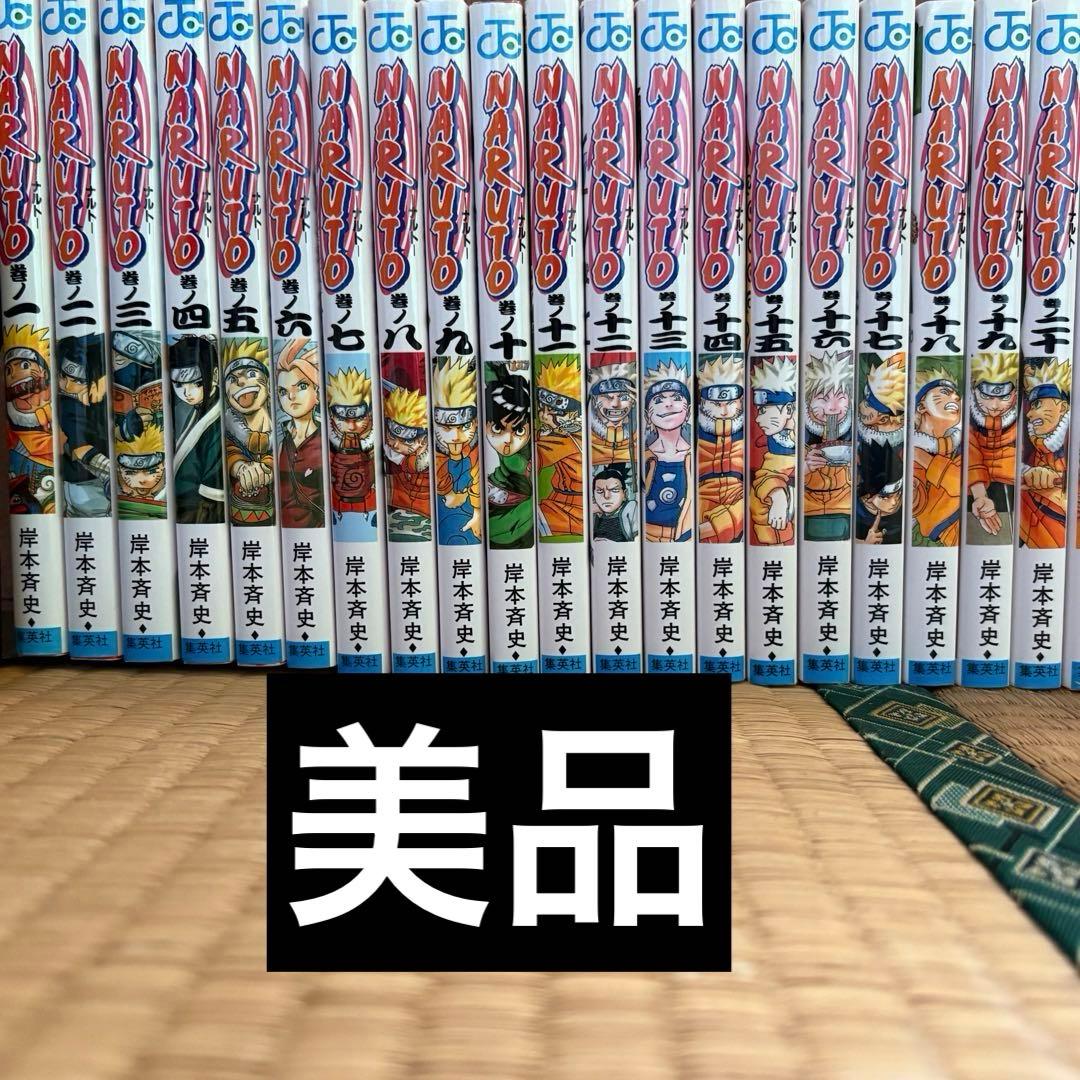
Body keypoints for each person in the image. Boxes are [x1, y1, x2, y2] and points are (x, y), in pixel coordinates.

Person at [171, 337, 226, 524]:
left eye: (197, 383)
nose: (187, 393)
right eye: (179, 385)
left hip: (199, 514)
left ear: (215, 375)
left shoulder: (219, 422)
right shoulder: (196, 410)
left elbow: (213, 497)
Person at [222, 339, 275, 525]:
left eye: (251, 374)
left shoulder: (285, 429)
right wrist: (242, 468)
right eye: (232, 379)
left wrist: (267, 467)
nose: (241, 382)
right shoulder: (228, 431)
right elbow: (231, 453)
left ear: (268, 384)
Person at [966, 351, 1018, 539]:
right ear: (974, 389)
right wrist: (980, 495)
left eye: (1004, 397)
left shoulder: (1025, 416)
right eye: (986, 396)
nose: (994, 406)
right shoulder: (965, 418)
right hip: (974, 490)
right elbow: (969, 452)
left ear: (1015, 393)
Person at [1019, 357, 1070, 549]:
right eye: (1030, 406)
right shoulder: (1035, 446)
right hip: (1033, 524)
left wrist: (1057, 479)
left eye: (1037, 405)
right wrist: (1027, 473)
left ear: (1062, 408)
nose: (1030, 414)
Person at [802, 349, 853, 541]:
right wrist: (805, 467)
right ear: (808, 401)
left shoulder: (852, 434)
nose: (833, 408)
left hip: (844, 508)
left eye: (841, 398)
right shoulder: (796, 434)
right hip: (808, 509)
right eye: (823, 399)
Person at [4, 324, 56, 511]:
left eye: (25, 365)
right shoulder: (14, 433)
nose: (15, 375)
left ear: (44, 372)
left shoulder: (63, 408)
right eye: (8, 371)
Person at [911, 366, 963, 545]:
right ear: (921, 406)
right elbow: (916, 504)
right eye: (945, 392)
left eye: (956, 395)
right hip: (944, 535)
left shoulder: (963, 445)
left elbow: (961, 484)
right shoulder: (908, 452)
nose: (956, 398)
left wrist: (923, 458)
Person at [276, 338, 325, 529]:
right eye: (283, 391)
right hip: (283, 528)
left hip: (318, 529)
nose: (291, 397)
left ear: (317, 392)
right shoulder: (282, 441)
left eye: (302, 386)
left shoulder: (324, 440)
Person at [431, 357, 481, 544]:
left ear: (475, 423)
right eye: (446, 428)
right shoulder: (435, 453)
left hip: (468, 507)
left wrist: (477, 513)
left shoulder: (475, 452)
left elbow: (476, 477)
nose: (455, 436)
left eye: (465, 426)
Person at [642, 361, 693, 542]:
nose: (668, 405)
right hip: (648, 537)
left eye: (677, 398)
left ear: (688, 412)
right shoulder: (644, 458)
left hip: (684, 538)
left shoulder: (694, 457)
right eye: (658, 400)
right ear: (647, 416)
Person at [748, 357, 797, 544]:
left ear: (789, 409)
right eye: (759, 410)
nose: (758, 419)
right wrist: (777, 495)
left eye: (764, 411)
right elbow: (768, 473)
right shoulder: (777, 443)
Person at [696, 354, 744, 543]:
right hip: (703, 494)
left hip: (737, 492)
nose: (724, 411)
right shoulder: (695, 433)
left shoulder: (748, 432)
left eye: (731, 403)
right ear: (703, 403)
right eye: (716, 404)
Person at [535, 358, 584, 539]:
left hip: (570, 509)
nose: (544, 416)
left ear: (574, 412)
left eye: (554, 411)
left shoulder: (564, 439)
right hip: (560, 501)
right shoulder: (567, 433)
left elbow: (528, 463)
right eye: (542, 408)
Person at [484, 370, 533, 549]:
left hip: (517, 505)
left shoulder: (524, 451)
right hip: (493, 500)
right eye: (497, 429)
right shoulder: (510, 457)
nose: (508, 440)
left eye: (519, 431)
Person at [327, 365, 377, 518]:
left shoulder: (373, 444)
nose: (351, 426)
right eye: (342, 418)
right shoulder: (330, 444)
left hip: (369, 503)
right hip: (338, 503)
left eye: (359, 417)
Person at [382, 385, 431, 541]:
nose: (396, 445)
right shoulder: (396, 453)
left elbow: (416, 464)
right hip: (399, 499)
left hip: (423, 508)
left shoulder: (427, 456)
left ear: (423, 439)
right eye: (392, 437)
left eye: (405, 441)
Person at [588, 362, 635, 466]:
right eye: (608, 397)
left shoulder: (642, 438)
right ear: (595, 401)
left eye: (624, 397)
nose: (615, 404)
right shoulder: (584, 438)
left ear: (633, 401)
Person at [592, 463, 637, 542]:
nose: (606, 496)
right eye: (600, 491)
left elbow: (638, 539)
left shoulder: (630, 508)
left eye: (614, 490)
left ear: (625, 494)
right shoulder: (595, 514)